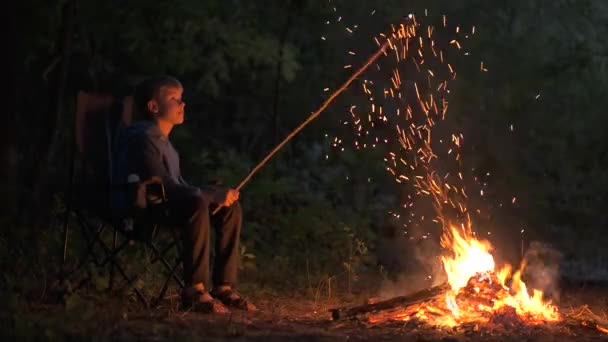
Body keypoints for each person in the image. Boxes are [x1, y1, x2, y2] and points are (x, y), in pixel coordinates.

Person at [122, 75, 256, 313]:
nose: (182, 104)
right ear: (153, 106)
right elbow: (163, 186)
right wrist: (207, 195)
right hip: (146, 209)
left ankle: (223, 287)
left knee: (229, 208)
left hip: (171, 205)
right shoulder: (143, 138)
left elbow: (178, 186)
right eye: (174, 98)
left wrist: (213, 194)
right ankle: (194, 290)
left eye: (181, 98)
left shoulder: (165, 144)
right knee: (197, 202)